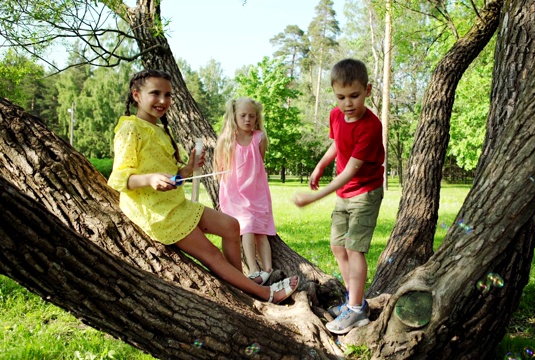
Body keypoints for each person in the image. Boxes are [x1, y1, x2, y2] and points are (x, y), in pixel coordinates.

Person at [107, 69, 298, 304]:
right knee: (213, 256)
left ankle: (240, 284)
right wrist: (149, 179)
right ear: (136, 95)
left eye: (167, 95)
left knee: (231, 226)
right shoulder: (130, 129)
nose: (163, 100)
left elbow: (174, 175)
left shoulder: (159, 130)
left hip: (176, 204)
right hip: (158, 213)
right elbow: (118, 178)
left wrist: (187, 169)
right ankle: (263, 294)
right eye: (155, 93)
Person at [293, 59, 384, 334]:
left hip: (364, 193)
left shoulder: (371, 126)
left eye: (354, 96)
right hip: (345, 194)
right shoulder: (336, 115)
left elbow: (351, 172)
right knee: (337, 246)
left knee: (354, 249)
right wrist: (320, 166)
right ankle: (353, 301)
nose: (347, 103)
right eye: (341, 97)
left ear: (367, 90)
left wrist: (315, 197)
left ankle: (356, 310)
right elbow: (336, 144)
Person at [214, 97, 276, 286]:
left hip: (256, 192)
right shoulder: (227, 140)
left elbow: (260, 162)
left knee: (261, 232)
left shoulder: (259, 138)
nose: (248, 119)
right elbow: (219, 167)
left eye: (252, 116)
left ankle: (268, 271)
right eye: (243, 115)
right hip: (235, 194)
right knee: (247, 225)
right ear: (234, 116)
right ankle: (253, 270)